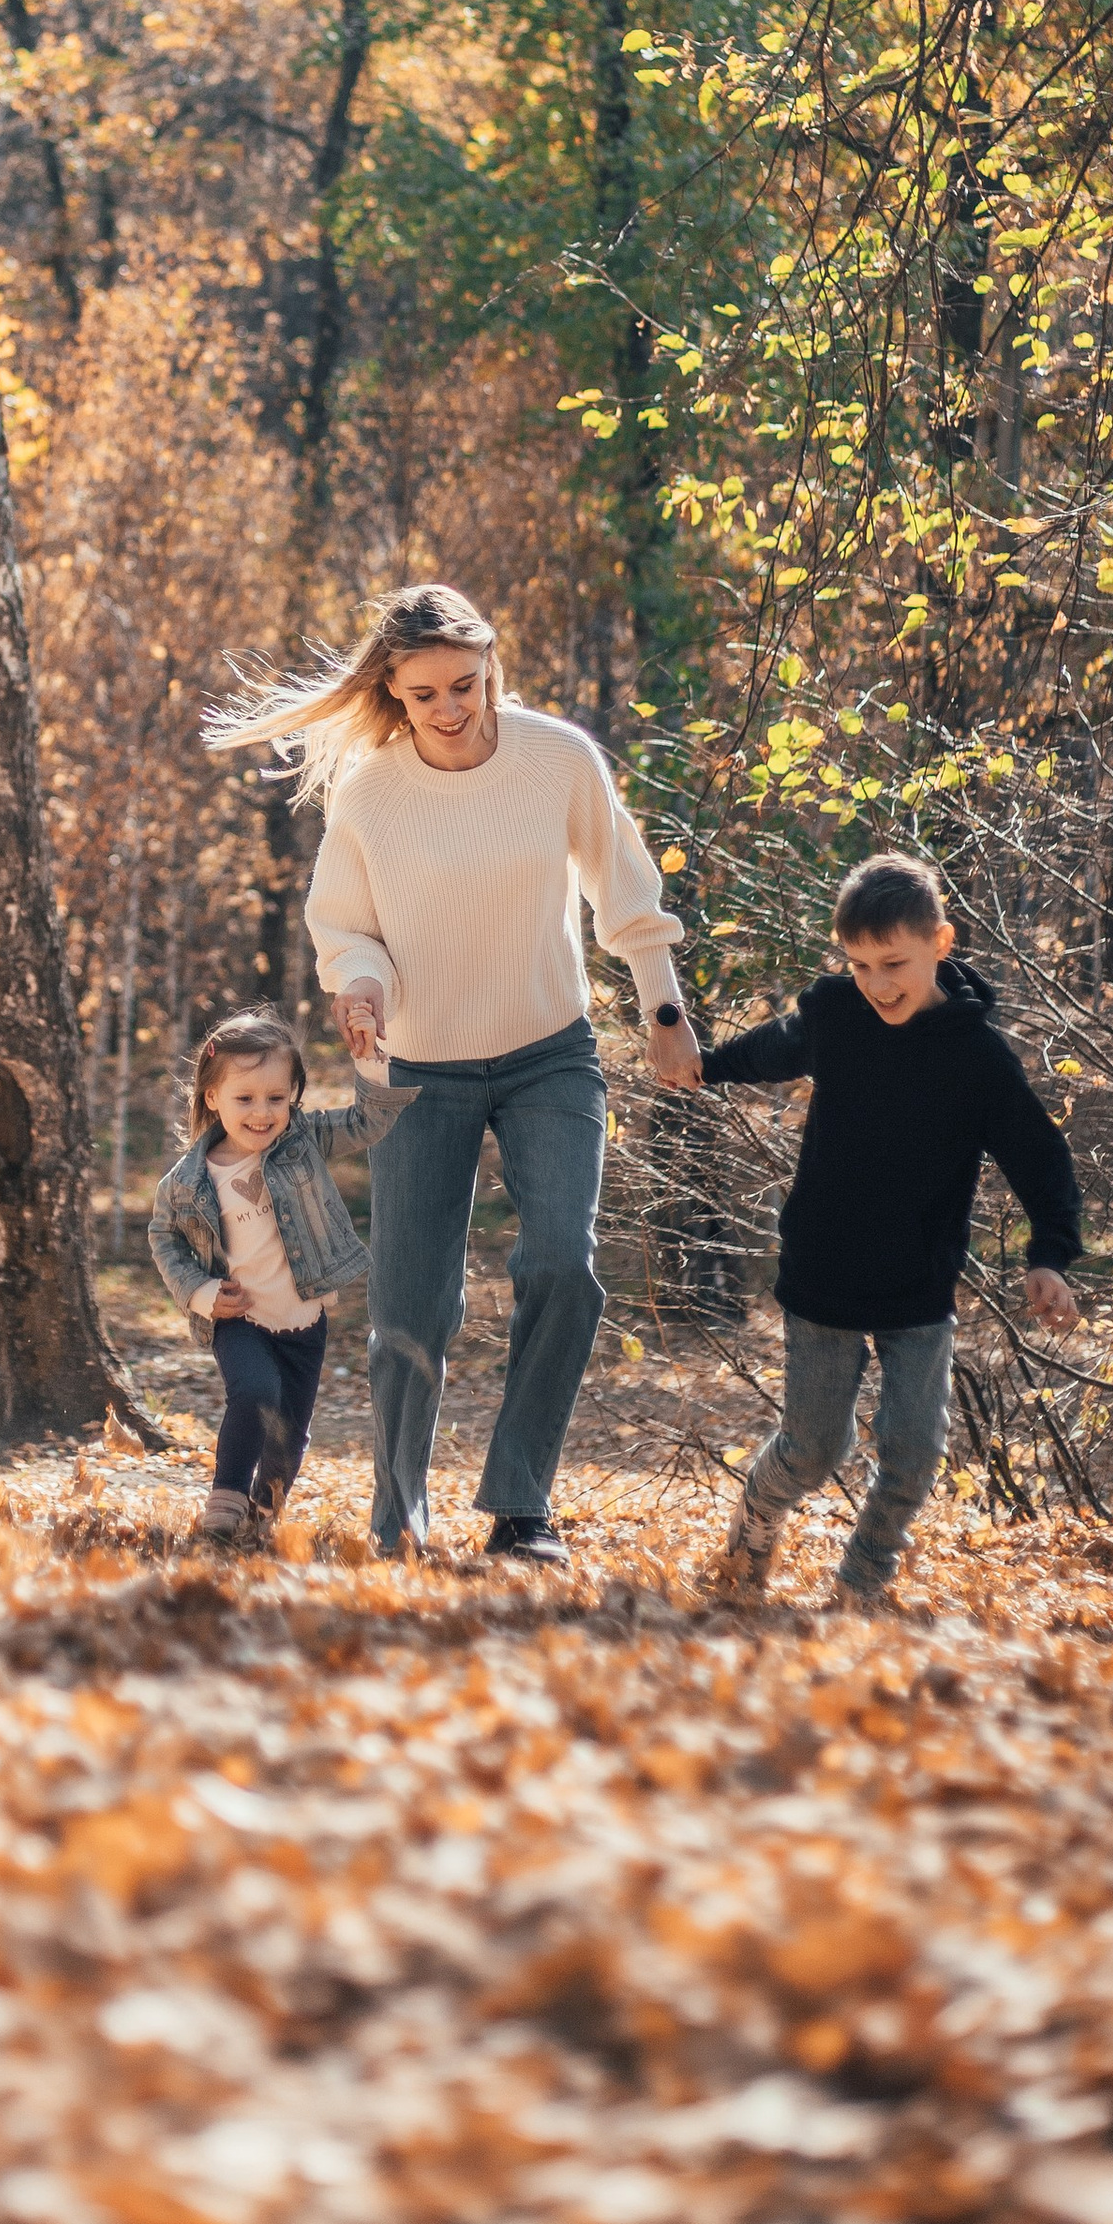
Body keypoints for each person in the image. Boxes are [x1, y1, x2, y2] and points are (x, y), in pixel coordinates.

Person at [207, 584, 696, 1569]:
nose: (448, 708)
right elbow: (344, 926)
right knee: (410, 1307)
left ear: (489, 668)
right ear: (392, 690)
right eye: (423, 692)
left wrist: (665, 1013)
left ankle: (522, 1507)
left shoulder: (557, 759)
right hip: (419, 1069)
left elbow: (626, 893)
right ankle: (399, 1520)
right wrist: (359, 987)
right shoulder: (372, 793)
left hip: (549, 1053)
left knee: (562, 1266)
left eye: (464, 685)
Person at [693, 849, 1084, 1607]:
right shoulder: (837, 1015)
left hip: (919, 1284)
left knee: (913, 1454)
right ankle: (756, 1522)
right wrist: (704, 1065)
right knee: (814, 1450)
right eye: (860, 965)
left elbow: (1040, 1158)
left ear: (941, 942)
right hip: (824, 1274)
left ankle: (860, 1586)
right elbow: (771, 1049)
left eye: (894, 963)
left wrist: (1050, 1255)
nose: (877, 984)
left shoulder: (977, 1056)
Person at [147, 1006, 404, 1541]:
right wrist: (200, 1292)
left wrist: (370, 1062)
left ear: (293, 1097)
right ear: (212, 1097)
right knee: (255, 1393)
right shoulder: (187, 1181)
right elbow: (164, 1238)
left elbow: (369, 1122)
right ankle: (225, 1499)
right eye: (244, 1099)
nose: (262, 1113)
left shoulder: (304, 1140)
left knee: (289, 1433)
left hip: (305, 1320)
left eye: (276, 1098)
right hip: (239, 1316)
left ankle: (264, 1515)